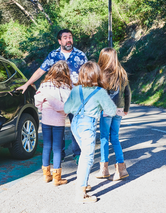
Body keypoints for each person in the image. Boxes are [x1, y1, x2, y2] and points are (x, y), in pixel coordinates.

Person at [18, 29, 88, 163]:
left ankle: (77, 153)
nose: (69, 40)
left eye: (70, 37)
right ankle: (59, 153)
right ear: (59, 41)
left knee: (76, 125)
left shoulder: (80, 55)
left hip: (76, 97)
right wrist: (27, 84)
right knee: (58, 126)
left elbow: (87, 74)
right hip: (58, 98)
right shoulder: (53, 55)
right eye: (65, 37)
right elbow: (40, 71)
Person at [64, 61, 117, 203]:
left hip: (75, 124)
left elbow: (66, 108)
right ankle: (80, 195)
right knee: (87, 157)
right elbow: (111, 110)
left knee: (84, 155)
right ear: (97, 75)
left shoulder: (76, 90)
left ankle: (83, 183)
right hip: (88, 125)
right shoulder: (100, 92)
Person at [95, 47, 131, 181]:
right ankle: (121, 169)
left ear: (103, 58)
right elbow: (127, 92)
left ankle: (104, 169)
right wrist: (126, 108)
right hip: (119, 109)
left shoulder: (102, 74)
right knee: (115, 137)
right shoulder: (122, 72)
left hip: (107, 110)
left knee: (104, 137)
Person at [34, 61, 71, 186]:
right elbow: (68, 105)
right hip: (59, 121)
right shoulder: (66, 87)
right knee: (57, 149)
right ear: (65, 73)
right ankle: (57, 178)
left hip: (46, 120)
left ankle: (46, 175)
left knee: (46, 146)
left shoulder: (44, 85)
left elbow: (37, 101)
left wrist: (43, 109)